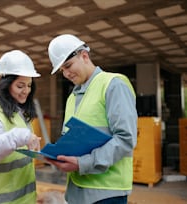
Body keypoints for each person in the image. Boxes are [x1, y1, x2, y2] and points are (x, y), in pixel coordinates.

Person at [46, 34, 138, 204]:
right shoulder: (72, 97)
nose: (66, 74)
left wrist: (82, 163)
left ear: (84, 56)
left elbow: (126, 139)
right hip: (76, 191)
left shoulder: (113, 84)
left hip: (107, 193)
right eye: (62, 70)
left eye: (68, 66)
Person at [0, 50, 41, 204]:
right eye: (20, 86)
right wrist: (18, 136)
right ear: (6, 85)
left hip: (24, 199)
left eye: (29, 85)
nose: (26, 91)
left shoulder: (19, 113)